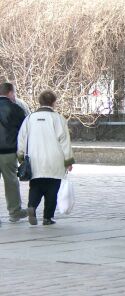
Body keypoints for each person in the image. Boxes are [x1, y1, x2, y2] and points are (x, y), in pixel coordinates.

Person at [17, 90, 74, 225]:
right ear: (53, 102)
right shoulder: (58, 119)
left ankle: (32, 206)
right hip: (55, 159)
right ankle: (47, 218)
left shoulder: (29, 118)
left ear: (39, 102)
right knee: (52, 189)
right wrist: (69, 160)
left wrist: (20, 157)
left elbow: (21, 138)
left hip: (34, 159)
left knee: (36, 185)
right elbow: (64, 141)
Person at [0, 82, 28, 225]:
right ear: (10, 93)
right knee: (11, 182)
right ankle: (14, 212)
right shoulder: (16, 109)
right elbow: (24, 131)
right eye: (14, 93)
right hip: (8, 152)